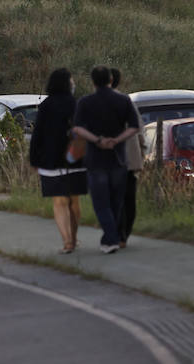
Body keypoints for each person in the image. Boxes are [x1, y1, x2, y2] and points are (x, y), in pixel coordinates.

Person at [69, 65, 140, 254]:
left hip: (95, 158)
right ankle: (112, 237)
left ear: (92, 82)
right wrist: (117, 140)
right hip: (118, 157)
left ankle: (111, 238)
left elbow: (77, 128)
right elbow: (134, 126)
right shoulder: (123, 100)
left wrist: (97, 140)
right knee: (116, 201)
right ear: (110, 80)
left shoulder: (85, 102)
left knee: (101, 202)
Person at [27, 67, 86, 254]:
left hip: (50, 161)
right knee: (74, 201)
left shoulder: (45, 106)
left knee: (59, 202)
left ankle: (67, 242)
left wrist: (34, 159)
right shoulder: (76, 104)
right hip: (75, 159)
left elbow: (37, 135)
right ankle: (75, 238)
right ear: (68, 84)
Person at [110, 67, 144, 249]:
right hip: (129, 161)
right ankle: (123, 234)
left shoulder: (92, 102)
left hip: (107, 161)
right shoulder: (127, 102)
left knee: (112, 198)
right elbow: (140, 131)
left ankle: (116, 232)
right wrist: (142, 155)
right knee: (128, 200)